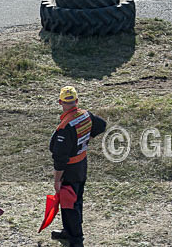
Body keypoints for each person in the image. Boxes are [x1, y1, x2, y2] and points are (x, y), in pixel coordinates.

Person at [49, 86, 106, 247]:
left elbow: (60, 159)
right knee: (76, 200)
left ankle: (76, 239)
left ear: (60, 102)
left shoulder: (64, 128)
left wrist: (57, 180)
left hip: (70, 170)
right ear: (76, 101)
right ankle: (69, 231)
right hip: (82, 164)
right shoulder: (86, 115)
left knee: (69, 204)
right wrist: (84, 140)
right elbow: (101, 125)